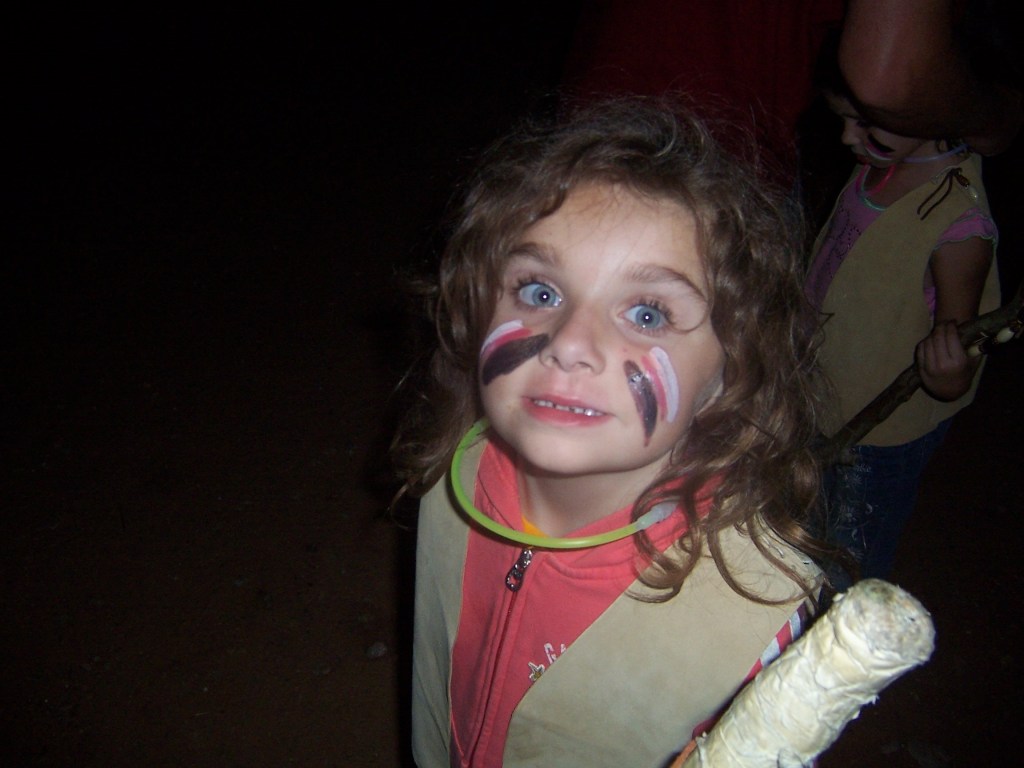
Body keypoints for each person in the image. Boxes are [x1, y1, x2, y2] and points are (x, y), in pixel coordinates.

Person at [391, 98, 832, 767]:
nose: (569, 342)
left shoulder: (755, 623)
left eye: (647, 314)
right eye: (540, 292)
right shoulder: (452, 470)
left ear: (731, 371)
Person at [806, 52, 1002, 581]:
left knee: (852, 545)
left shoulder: (957, 226)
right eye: (844, 119)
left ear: (936, 113)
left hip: (880, 434)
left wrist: (949, 373)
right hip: (827, 394)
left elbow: (959, 351)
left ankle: (848, 615)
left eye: (865, 124)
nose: (848, 137)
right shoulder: (882, 164)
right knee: (813, 515)